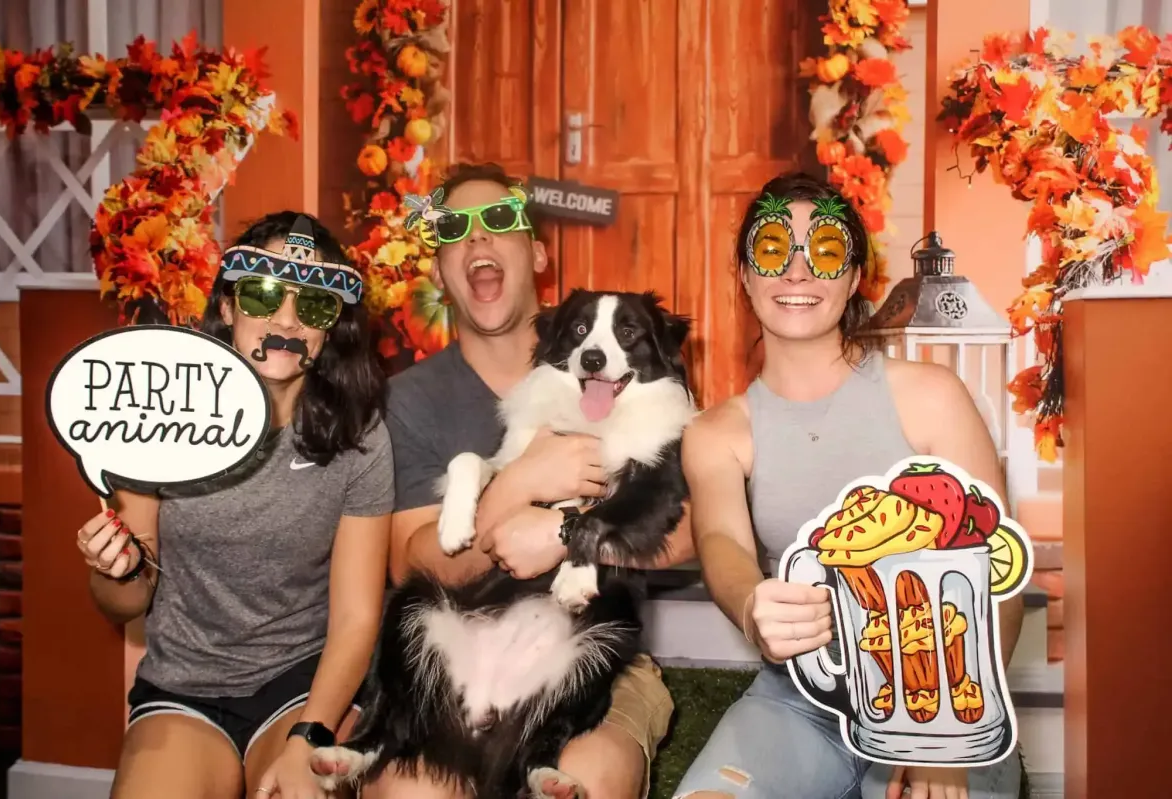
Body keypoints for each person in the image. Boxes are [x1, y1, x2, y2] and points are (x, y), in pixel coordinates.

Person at [672, 172, 1025, 799]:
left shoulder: (934, 397)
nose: (798, 271)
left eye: (826, 251)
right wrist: (753, 607)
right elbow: (721, 540)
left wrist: (944, 733)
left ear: (855, 274)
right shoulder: (717, 432)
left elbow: (996, 585)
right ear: (746, 276)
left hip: (951, 691)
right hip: (801, 698)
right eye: (774, 249)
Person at [379, 162, 695, 799]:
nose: (477, 242)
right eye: (455, 232)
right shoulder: (409, 399)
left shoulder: (636, 379)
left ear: (538, 253)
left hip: (591, 656)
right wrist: (521, 482)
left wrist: (563, 532)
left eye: (498, 222)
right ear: (439, 270)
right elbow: (415, 564)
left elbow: (689, 534)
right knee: (410, 791)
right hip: (469, 639)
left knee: (587, 777)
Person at [74, 212, 395, 799]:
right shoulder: (161, 416)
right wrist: (112, 565)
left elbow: (355, 618)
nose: (288, 319)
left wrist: (311, 735)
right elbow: (123, 603)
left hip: (302, 683)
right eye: (264, 293)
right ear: (227, 308)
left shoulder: (358, 433)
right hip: (183, 685)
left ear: (331, 332)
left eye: (315, 305)